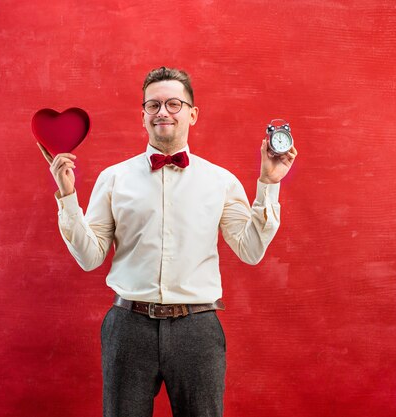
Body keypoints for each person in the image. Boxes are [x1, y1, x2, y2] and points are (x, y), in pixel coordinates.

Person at [38, 66, 297, 417]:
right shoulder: (113, 179)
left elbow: (250, 251)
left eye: (174, 104)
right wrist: (68, 197)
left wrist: (269, 182)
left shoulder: (220, 181)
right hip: (128, 326)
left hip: (198, 328)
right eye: (153, 105)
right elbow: (89, 257)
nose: (163, 112)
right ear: (142, 116)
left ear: (193, 114)